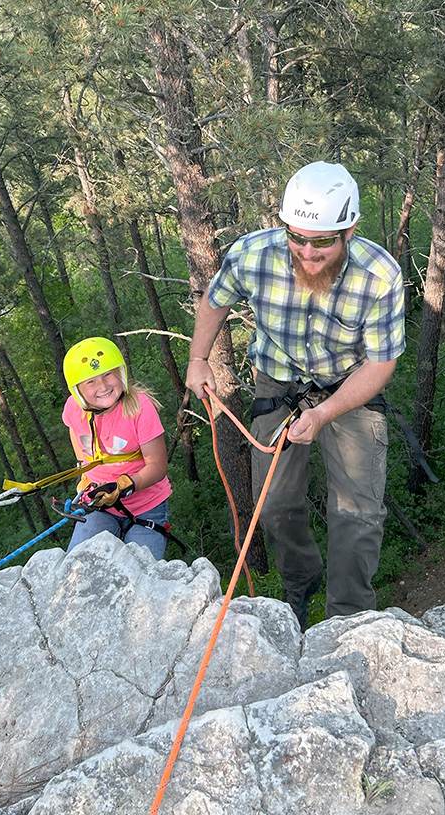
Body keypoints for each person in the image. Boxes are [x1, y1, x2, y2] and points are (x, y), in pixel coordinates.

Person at [185, 161, 405, 629]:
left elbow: (380, 363)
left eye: (323, 241)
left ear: (349, 231)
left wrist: (324, 413)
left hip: (349, 388)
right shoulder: (253, 254)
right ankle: (300, 582)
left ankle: (348, 618)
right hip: (279, 384)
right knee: (275, 505)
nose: (307, 252)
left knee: (358, 513)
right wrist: (198, 358)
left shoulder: (378, 274)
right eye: (297, 237)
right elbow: (216, 299)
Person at [61, 336, 172, 559]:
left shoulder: (140, 407)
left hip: (147, 505)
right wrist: (85, 474)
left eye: (107, 375)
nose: (103, 386)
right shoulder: (74, 408)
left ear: (120, 373)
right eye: (90, 382)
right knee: (77, 563)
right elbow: (76, 436)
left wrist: (124, 487)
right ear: (78, 390)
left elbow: (158, 466)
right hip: (99, 505)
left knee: (141, 571)